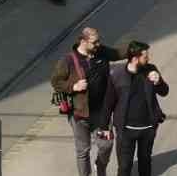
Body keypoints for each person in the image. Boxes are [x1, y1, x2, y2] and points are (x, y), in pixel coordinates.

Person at [51, 26, 124, 176]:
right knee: (83, 151)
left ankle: (100, 166)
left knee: (107, 145)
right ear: (83, 41)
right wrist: (73, 86)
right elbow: (56, 81)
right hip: (79, 114)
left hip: (101, 112)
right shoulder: (68, 60)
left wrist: (136, 48)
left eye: (98, 41)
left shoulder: (101, 52)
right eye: (94, 42)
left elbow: (117, 53)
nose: (98, 44)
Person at [105, 41, 169, 176]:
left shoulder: (151, 69)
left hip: (147, 129)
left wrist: (159, 82)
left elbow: (164, 91)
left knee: (145, 164)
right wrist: (105, 127)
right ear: (135, 58)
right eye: (145, 57)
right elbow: (109, 102)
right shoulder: (117, 75)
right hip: (126, 130)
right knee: (124, 166)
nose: (148, 59)